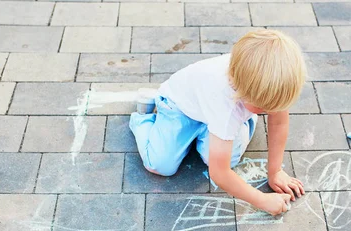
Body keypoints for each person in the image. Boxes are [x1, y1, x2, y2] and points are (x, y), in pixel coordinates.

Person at [130, 29, 306, 216]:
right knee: (160, 165)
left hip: (217, 114)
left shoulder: (267, 79)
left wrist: (275, 171)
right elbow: (219, 174)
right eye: (263, 108)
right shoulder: (226, 106)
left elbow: (278, 123)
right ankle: (143, 119)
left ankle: (228, 128)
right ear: (242, 91)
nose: (271, 112)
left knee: (228, 157)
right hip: (181, 108)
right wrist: (262, 201)